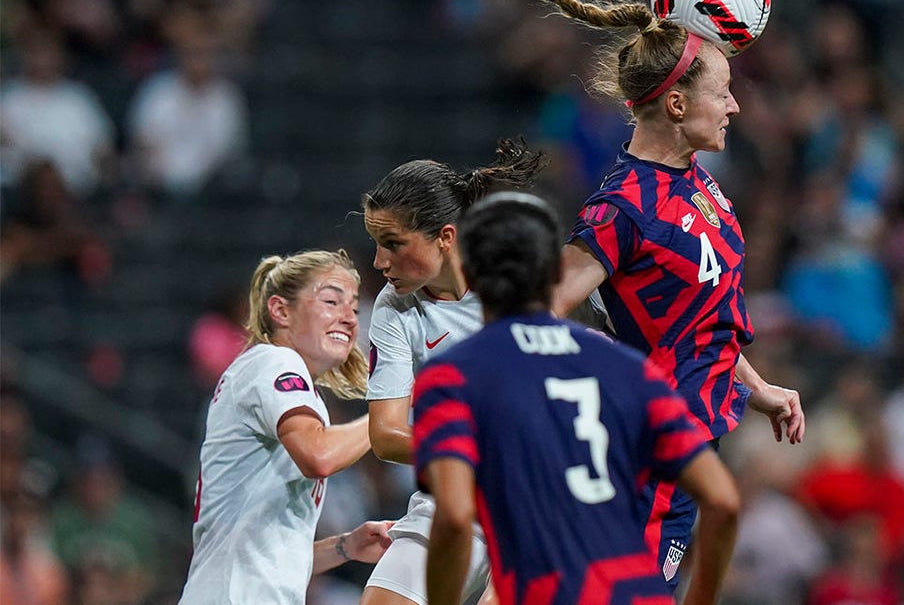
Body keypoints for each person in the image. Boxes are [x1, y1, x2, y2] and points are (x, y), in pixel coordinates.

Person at [446, 0, 804, 589]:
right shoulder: (624, 208)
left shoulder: (704, 187)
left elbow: (703, 319)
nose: (735, 105)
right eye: (723, 92)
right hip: (640, 461)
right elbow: (542, 306)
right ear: (676, 103)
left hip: (687, 455)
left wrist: (759, 389)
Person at [414, 191, 740, 605]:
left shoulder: (452, 375)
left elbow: (456, 517)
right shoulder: (628, 367)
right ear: (555, 272)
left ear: (469, 272)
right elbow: (723, 500)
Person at [359, 139, 547, 605]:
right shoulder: (394, 307)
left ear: (445, 236)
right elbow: (384, 435)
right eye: (376, 245)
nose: (380, 263)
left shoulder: (517, 281)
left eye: (393, 244)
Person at [179, 249, 393, 604]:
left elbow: (266, 557)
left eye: (354, 308)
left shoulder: (286, 386)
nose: (349, 318)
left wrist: (345, 547)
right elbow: (319, 456)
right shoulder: (273, 362)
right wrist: (386, 417)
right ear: (280, 311)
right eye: (331, 301)